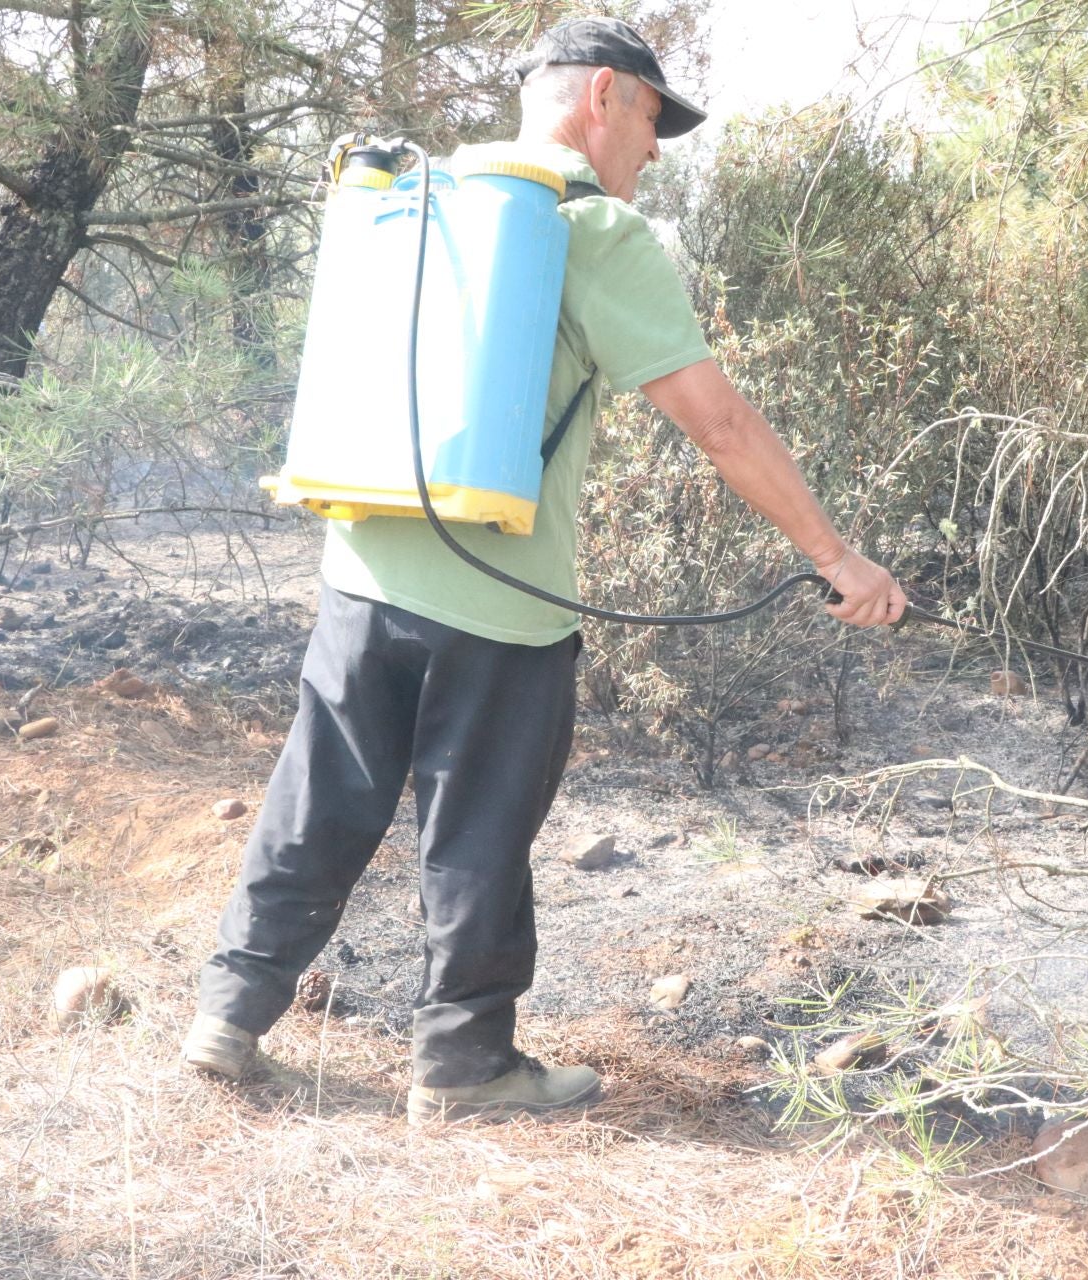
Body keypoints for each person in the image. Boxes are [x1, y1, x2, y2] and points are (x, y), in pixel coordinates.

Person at [183, 15, 908, 1124]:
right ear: (605, 97)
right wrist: (837, 556)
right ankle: (465, 1066)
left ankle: (228, 1016)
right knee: (479, 823)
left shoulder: (415, 194)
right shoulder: (588, 228)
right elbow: (715, 422)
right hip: (500, 595)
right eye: (656, 120)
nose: (656, 150)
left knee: (320, 789)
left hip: (363, 558)